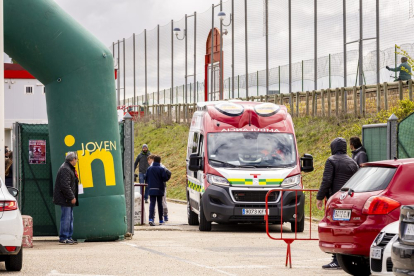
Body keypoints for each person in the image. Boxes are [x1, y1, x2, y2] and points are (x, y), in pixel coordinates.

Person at [316, 137, 359, 270]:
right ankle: (346, 259)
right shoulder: (353, 162)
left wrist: (319, 197)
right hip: (348, 200)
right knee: (345, 230)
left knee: (334, 228)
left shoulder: (331, 160)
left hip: (335, 200)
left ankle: (336, 259)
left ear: (333, 147)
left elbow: (326, 180)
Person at [53, 152, 79, 245]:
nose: (76, 161)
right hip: (65, 198)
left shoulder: (67, 168)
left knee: (69, 217)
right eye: (76, 159)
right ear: (72, 160)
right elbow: (65, 186)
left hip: (66, 198)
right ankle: (64, 237)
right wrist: (71, 196)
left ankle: (68, 237)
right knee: (66, 218)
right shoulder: (65, 169)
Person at [145, 155, 170, 226]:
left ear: (153, 161)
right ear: (159, 161)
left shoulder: (149, 169)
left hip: (151, 188)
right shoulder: (161, 169)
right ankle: (161, 220)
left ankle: (151, 219)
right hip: (160, 189)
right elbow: (165, 178)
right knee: (160, 204)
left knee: (152, 204)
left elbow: (146, 178)